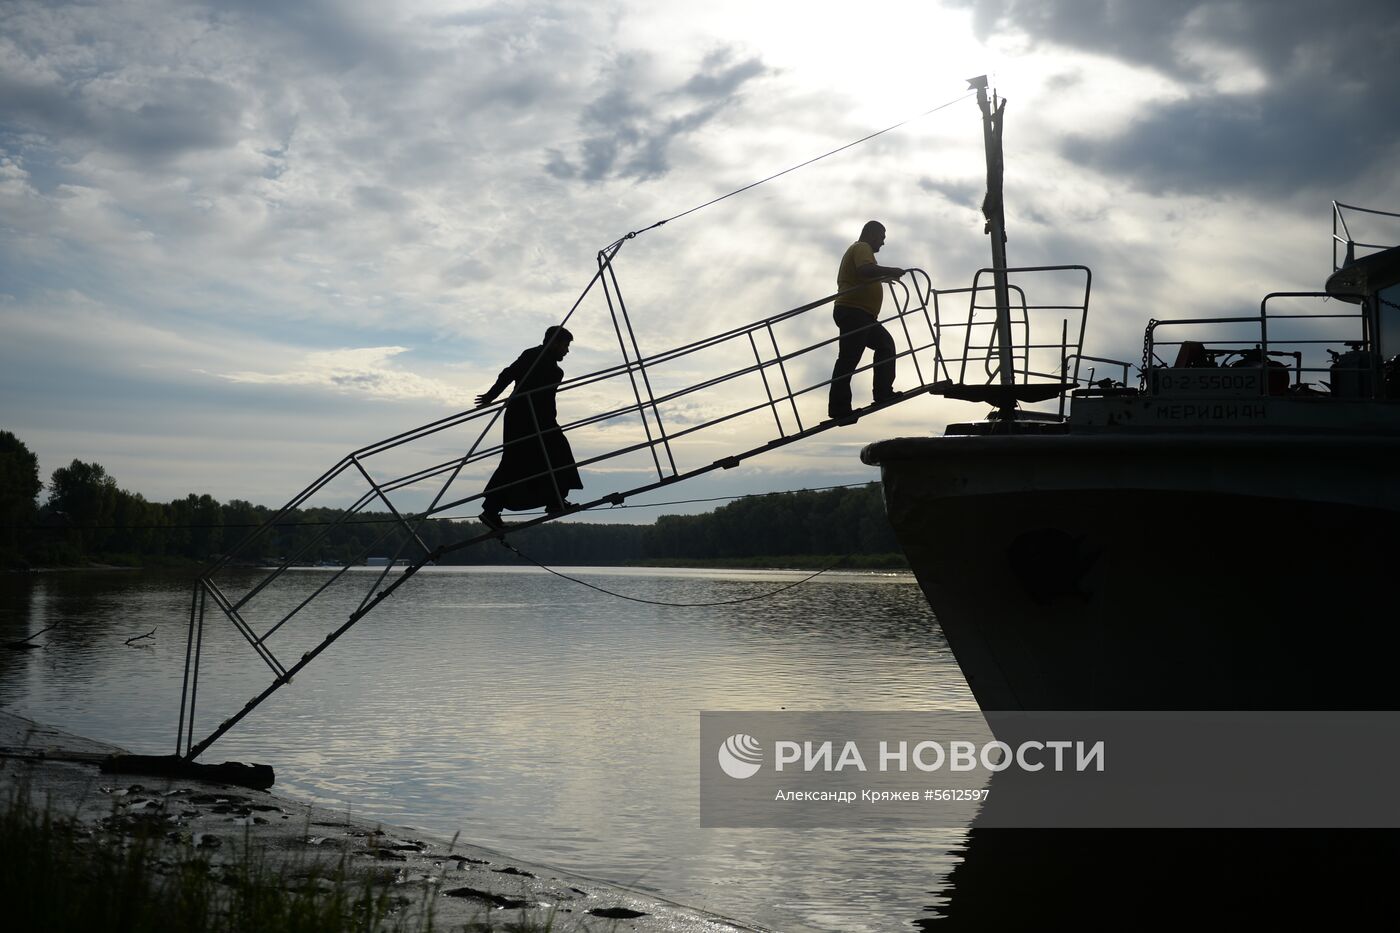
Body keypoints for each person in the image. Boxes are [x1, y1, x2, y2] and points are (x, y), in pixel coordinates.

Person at [475, 325, 582, 530]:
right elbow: (508, 374)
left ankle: (554, 500)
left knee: (548, 457)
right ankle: (492, 510)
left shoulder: (548, 364)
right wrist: (491, 396)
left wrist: (492, 396)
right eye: (565, 346)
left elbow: (511, 375)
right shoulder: (533, 357)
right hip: (525, 419)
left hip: (540, 419)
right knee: (517, 460)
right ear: (555, 343)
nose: (567, 351)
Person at [828, 220, 905, 420]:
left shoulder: (861, 251)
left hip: (862, 315)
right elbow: (864, 270)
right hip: (854, 312)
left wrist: (881, 279)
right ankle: (839, 408)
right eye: (882, 238)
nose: (883, 243)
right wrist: (891, 270)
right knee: (849, 358)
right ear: (872, 234)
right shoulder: (862, 248)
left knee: (885, 345)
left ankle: (882, 393)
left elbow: (864, 274)